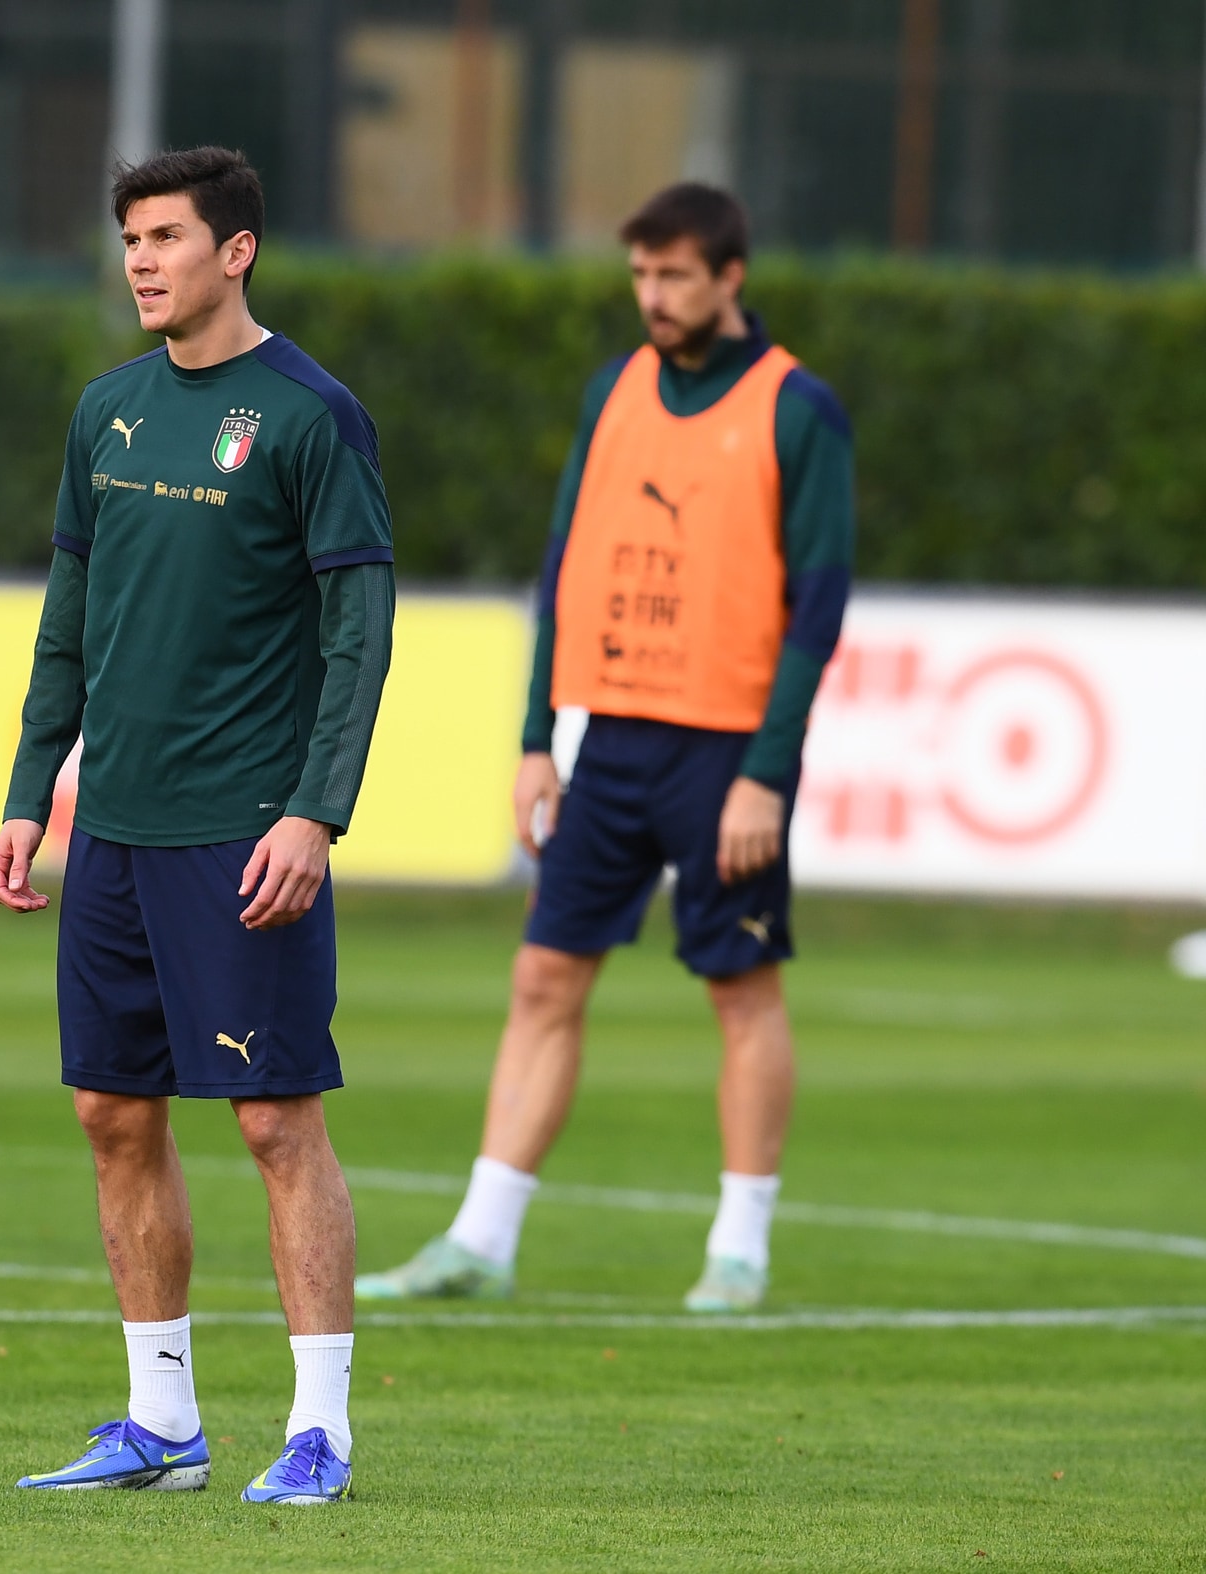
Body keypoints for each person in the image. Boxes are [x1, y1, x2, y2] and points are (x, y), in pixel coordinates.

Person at [356, 183, 853, 1313]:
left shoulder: (796, 407)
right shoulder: (614, 390)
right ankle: (480, 1240)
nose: (653, 296)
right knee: (542, 975)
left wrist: (766, 772)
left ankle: (739, 1249)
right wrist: (538, 737)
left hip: (726, 751)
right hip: (614, 739)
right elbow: (565, 565)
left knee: (739, 988)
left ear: (729, 277)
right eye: (640, 275)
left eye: (674, 275)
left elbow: (818, 607)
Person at [0, 145, 394, 1502]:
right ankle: (160, 1421)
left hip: (243, 832)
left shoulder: (310, 416)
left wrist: (315, 812)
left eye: (165, 236)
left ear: (237, 251)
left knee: (276, 1121)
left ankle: (321, 1431)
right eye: (130, 240)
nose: (140, 261)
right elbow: (67, 620)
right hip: (113, 829)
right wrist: (30, 789)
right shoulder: (105, 411)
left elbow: (358, 633)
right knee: (112, 1110)